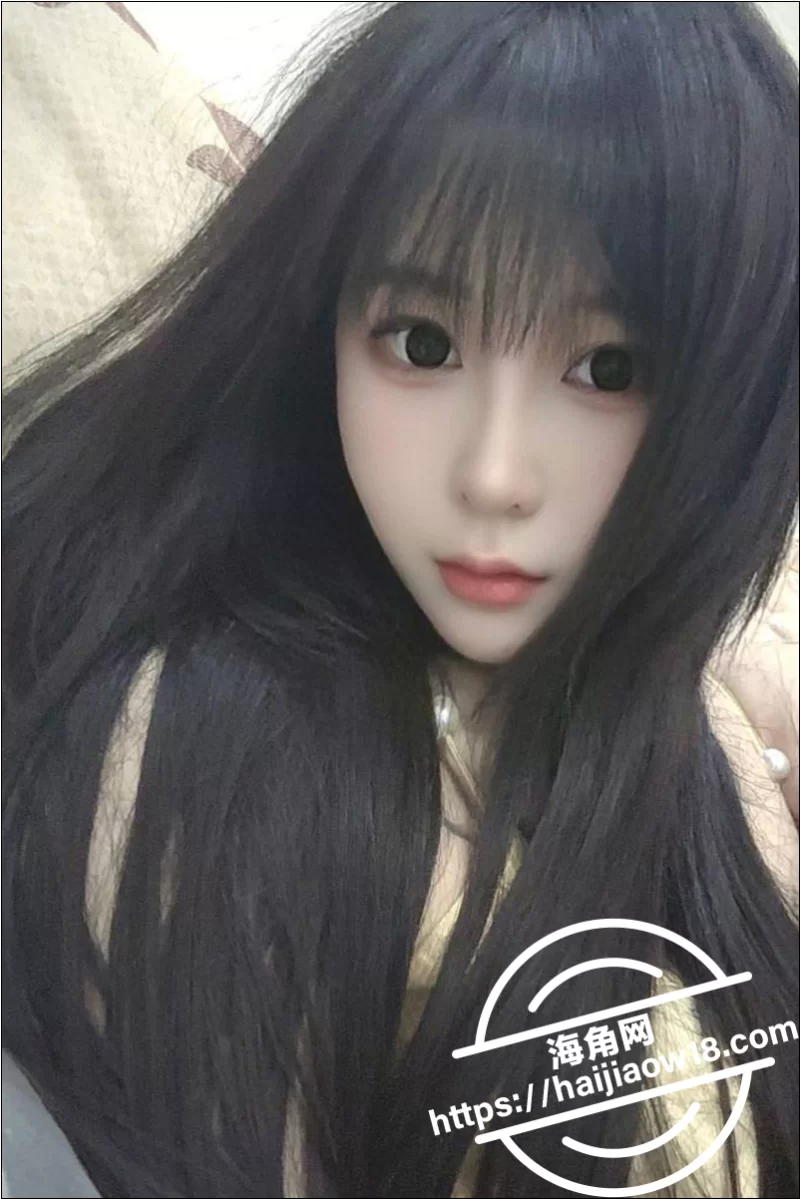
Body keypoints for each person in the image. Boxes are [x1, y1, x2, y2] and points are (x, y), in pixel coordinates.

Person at [2, 3, 798, 1196]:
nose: (492, 476)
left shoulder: (694, 722)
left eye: (606, 367)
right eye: (421, 344)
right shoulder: (198, 758)